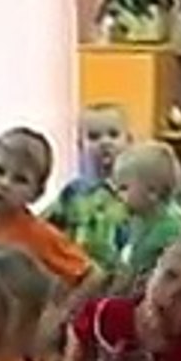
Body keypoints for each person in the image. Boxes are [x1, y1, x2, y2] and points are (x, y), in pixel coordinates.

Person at [0, 127, 97, 292]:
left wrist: (65, 306)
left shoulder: (41, 235)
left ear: (36, 193)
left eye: (20, 179)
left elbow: (92, 276)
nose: (5, 183)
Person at [44, 103, 132, 256]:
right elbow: (43, 228)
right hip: (81, 266)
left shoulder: (136, 189)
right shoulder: (73, 192)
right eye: (94, 137)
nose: (105, 142)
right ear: (80, 145)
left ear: (129, 141)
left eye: (113, 135)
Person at [94, 141, 181, 283]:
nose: (117, 194)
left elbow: (139, 271)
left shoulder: (169, 231)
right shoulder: (137, 222)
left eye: (124, 188)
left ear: (152, 192)